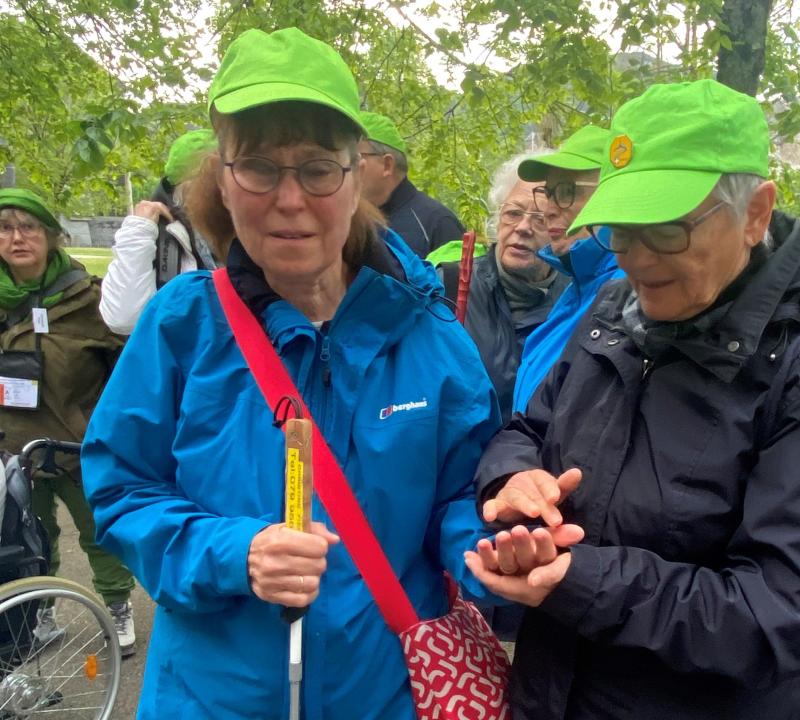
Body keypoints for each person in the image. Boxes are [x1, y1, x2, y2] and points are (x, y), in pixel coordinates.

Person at [80, 28, 573, 719]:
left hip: (387, 694)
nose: (289, 199)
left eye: (316, 168)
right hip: (212, 699)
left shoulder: (427, 335)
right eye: (257, 166)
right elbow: (122, 489)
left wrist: (496, 552)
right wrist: (234, 551)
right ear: (222, 179)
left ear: (356, 176)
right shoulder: (180, 327)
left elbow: (461, 496)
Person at [464, 79, 800, 720]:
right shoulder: (613, 313)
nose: (634, 258)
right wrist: (514, 477)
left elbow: (778, 614)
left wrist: (579, 580)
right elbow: (528, 427)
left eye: (663, 229)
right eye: (620, 230)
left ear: (756, 213)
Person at [0, 188, 136, 655]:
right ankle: (40, 610)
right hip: (13, 447)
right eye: (5, 228)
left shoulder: (89, 298)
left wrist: (114, 429)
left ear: (52, 236)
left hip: (79, 444)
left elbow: (130, 370)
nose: (17, 237)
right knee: (29, 537)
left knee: (100, 533)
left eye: (29, 227)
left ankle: (117, 606)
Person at [437, 154, 570, 423]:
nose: (522, 228)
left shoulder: (576, 300)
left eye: (540, 219)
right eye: (513, 214)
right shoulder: (448, 286)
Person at [512, 125, 625, 413]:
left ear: (612, 194)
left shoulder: (630, 294)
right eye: (548, 193)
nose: (548, 208)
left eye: (566, 192)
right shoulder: (577, 289)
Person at [100, 128, 219, 334]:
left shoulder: (253, 229)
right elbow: (123, 319)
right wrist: (138, 230)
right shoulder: (157, 233)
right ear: (180, 190)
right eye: (208, 184)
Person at [357, 110, 464, 258]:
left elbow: (458, 279)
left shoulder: (438, 223)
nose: (346, 165)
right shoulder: (348, 218)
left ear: (387, 165)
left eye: (355, 157)